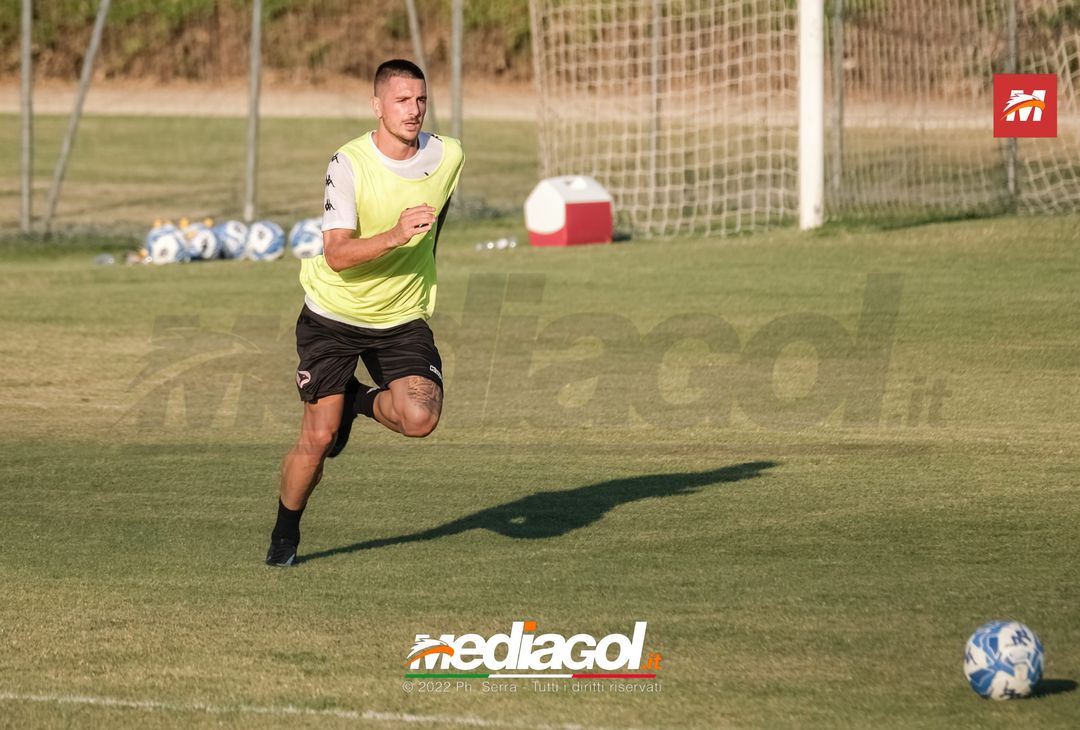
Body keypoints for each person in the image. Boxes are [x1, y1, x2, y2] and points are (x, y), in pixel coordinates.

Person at [265, 59, 464, 567]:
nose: (413, 110)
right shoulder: (347, 163)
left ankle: (353, 398)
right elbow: (336, 253)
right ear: (377, 105)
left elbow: (435, 222)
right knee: (320, 437)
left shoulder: (450, 156)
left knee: (420, 418)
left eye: (420, 100)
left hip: (400, 317)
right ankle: (284, 539)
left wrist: (415, 274)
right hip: (334, 315)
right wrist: (396, 235)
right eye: (401, 100)